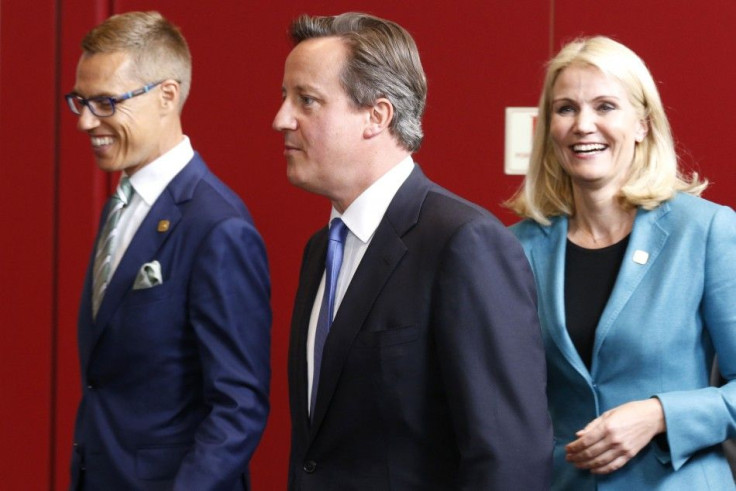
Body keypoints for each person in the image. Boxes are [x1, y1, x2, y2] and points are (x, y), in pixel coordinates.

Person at [273, 12, 552, 490]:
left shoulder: (464, 243)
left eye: (307, 100)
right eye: (285, 98)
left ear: (376, 116)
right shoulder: (322, 249)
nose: (281, 119)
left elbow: (510, 459)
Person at [507, 35, 736, 490]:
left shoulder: (706, 231)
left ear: (643, 124)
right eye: (566, 108)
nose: (583, 125)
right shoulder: (515, 247)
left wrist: (659, 414)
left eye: (605, 107)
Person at [65, 11, 271, 490]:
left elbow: (238, 408)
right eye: (80, 101)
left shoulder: (218, 226)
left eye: (106, 103)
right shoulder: (119, 206)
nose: (85, 122)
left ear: (167, 96)